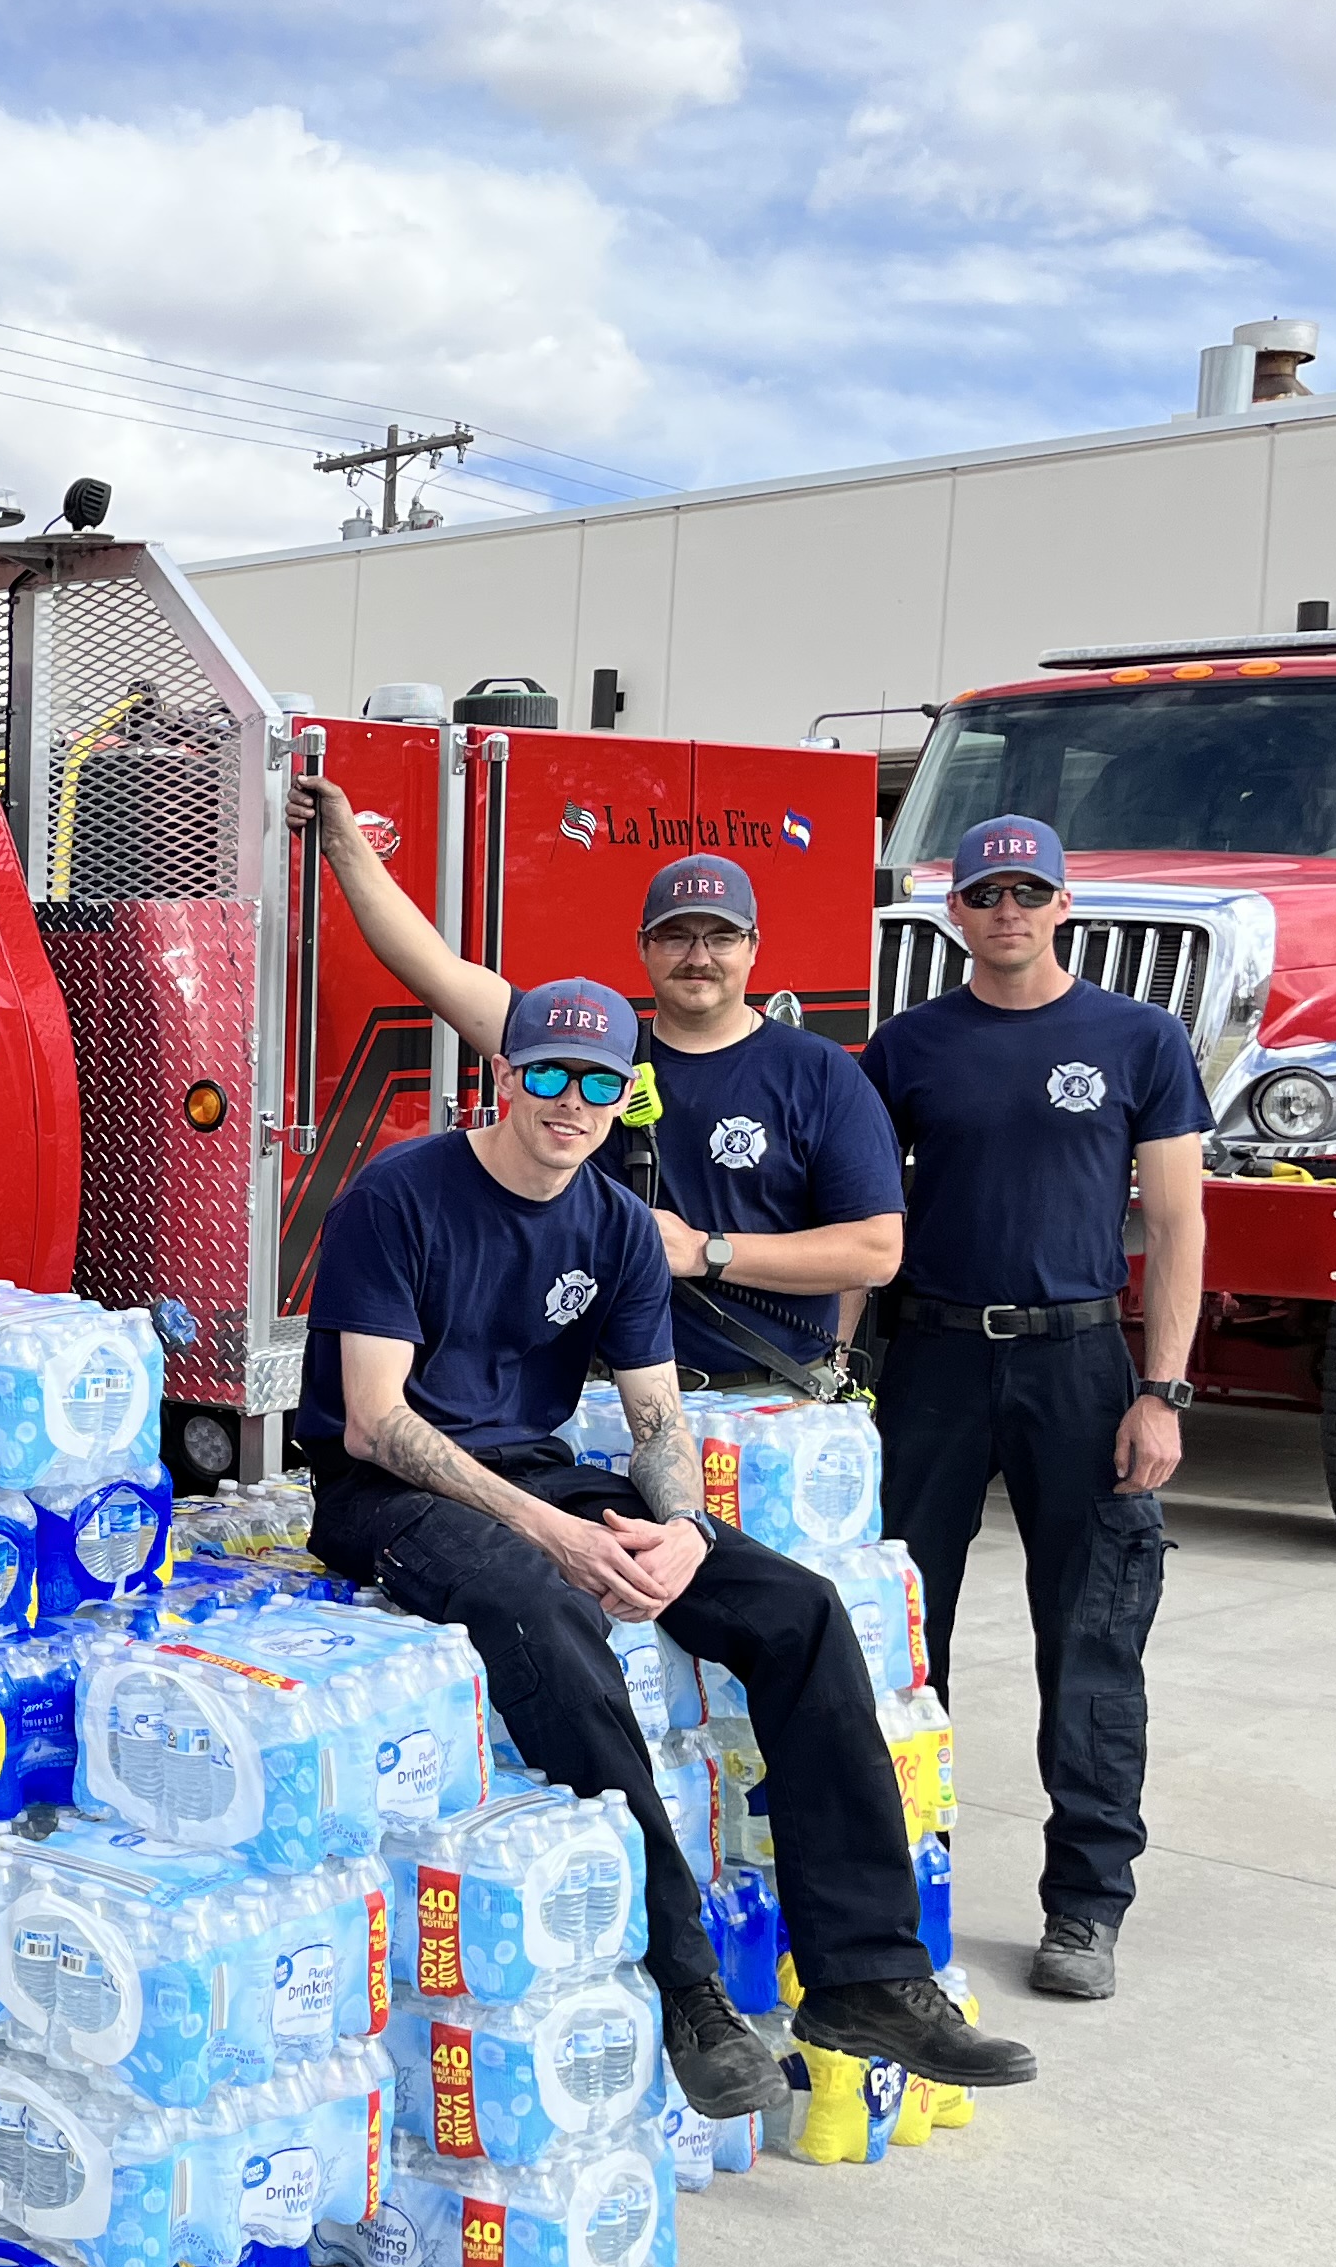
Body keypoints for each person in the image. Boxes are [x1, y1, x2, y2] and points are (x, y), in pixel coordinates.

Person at [295, 971, 1036, 2119]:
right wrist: (554, 1533)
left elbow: (655, 1422)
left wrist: (683, 1529)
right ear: (504, 1076)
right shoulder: (399, 1197)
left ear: (624, 1097)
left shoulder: (616, 1227)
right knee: (549, 1609)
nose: (571, 1101)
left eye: (599, 1083)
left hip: (536, 1470)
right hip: (383, 1493)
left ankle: (864, 1977)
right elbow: (375, 1420)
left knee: (798, 1610)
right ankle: (688, 1986)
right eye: (549, 1073)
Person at [860, 817, 1209, 2004]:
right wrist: (839, 1375)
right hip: (934, 1361)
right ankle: (904, 1889)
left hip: (1079, 1369)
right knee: (905, 1639)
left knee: (1093, 1639)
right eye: (985, 893)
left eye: (1028, 891)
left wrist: (1160, 1391)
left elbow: (1177, 1223)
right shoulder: (908, 1048)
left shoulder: (1138, 1039)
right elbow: (864, 1217)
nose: (1006, 910)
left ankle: (1086, 1906)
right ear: (954, 911)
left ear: (1064, 906)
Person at [296, 791, 906, 1391]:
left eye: (721, 937)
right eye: (675, 936)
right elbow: (435, 971)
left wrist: (705, 1252)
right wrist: (344, 842)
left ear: (753, 948)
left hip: (765, 1401)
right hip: (603, 1402)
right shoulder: (592, 1053)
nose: (698, 957)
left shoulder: (820, 1072)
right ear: (643, 946)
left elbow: (876, 1252)